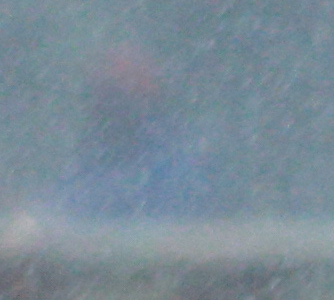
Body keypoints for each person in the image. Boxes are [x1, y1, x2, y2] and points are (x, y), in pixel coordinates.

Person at [54, 46, 221, 221]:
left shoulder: (176, 157)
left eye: (119, 87)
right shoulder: (90, 153)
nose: (110, 99)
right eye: (106, 88)